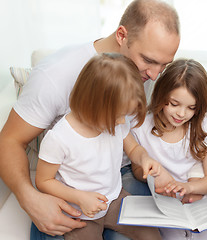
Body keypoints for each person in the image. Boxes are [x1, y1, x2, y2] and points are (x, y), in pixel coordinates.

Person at [0, 0, 180, 239]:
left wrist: (146, 164)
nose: (155, 75)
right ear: (121, 35)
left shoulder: (144, 76)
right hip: (74, 191)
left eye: (164, 65)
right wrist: (29, 198)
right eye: (148, 60)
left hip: (116, 183)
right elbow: (9, 141)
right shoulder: (55, 77)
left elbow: (129, 139)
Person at [35, 53, 163, 240]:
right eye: (117, 115)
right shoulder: (59, 138)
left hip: (115, 199)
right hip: (80, 212)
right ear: (93, 104)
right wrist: (80, 198)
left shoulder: (117, 123)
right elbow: (43, 181)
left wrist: (145, 159)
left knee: (151, 235)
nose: (121, 121)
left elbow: (133, 149)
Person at [130, 58, 207, 240]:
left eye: (191, 107)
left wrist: (188, 188)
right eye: (174, 104)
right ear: (161, 95)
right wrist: (156, 177)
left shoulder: (202, 126)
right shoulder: (141, 126)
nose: (181, 114)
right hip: (166, 202)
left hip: (199, 197)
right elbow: (138, 170)